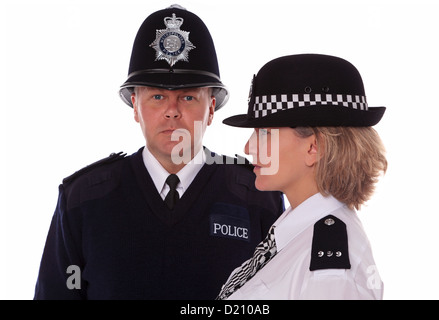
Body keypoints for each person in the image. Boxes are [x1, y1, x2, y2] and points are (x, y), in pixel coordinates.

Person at [33, 5, 283, 300]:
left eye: (188, 97)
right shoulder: (83, 200)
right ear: (135, 106)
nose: (171, 112)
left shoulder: (258, 196)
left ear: (212, 108)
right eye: (157, 97)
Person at [217, 54, 387, 300]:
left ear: (313, 148)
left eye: (264, 132)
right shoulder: (294, 235)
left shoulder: (330, 269)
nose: (248, 147)